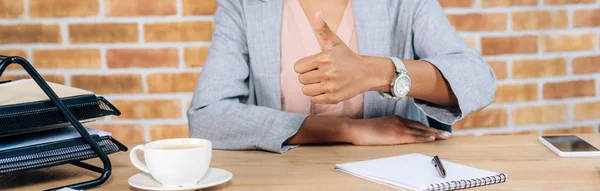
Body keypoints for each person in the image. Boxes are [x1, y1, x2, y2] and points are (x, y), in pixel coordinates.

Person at [188, 0, 496, 153]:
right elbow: (206, 118)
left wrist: (379, 71)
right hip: (285, 179)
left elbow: (478, 81)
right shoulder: (244, 6)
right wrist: (347, 129)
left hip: (392, 175)